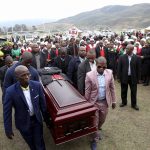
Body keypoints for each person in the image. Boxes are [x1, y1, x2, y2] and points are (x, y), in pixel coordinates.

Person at [3, 65, 50, 150]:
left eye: (28, 74)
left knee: (40, 144)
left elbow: (43, 105)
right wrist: (8, 129)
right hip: (23, 123)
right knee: (31, 145)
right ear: (17, 77)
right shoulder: (10, 91)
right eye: (23, 75)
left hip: (36, 121)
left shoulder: (37, 85)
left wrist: (47, 120)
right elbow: (7, 111)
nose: (27, 77)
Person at [85, 57, 116, 150]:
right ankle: (94, 139)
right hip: (93, 102)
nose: (101, 69)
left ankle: (96, 130)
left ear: (106, 66)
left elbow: (112, 88)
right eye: (99, 67)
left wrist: (114, 101)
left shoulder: (109, 73)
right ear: (96, 65)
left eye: (104, 67)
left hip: (104, 102)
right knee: (94, 122)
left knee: (102, 121)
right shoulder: (89, 75)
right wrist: (87, 105)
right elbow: (87, 91)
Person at [117, 44, 140, 110]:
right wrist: (118, 77)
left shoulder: (136, 58)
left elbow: (138, 69)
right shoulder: (121, 57)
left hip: (133, 77)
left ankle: (134, 104)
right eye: (126, 48)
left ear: (132, 50)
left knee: (133, 91)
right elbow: (119, 68)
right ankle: (124, 102)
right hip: (124, 77)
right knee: (123, 90)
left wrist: (138, 78)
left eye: (127, 48)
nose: (126, 49)